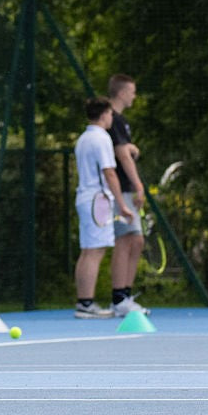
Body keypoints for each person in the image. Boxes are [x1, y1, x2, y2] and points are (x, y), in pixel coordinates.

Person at [74, 97, 133, 318]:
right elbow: (109, 172)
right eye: (110, 114)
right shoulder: (102, 139)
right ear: (104, 114)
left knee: (88, 251)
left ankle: (84, 302)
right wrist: (122, 204)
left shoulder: (84, 138)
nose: (111, 118)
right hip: (97, 200)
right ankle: (86, 304)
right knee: (94, 252)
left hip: (85, 198)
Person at [104, 72, 148, 317]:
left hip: (126, 189)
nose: (134, 96)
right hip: (119, 190)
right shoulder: (116, 120)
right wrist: (138, 185)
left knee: (137, 240)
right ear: (121, 93)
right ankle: (118, 297)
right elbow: (122, 155)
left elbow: (124, 150)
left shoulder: (119, 121)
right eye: (132, 91)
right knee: (125, 240)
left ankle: (126, 295)